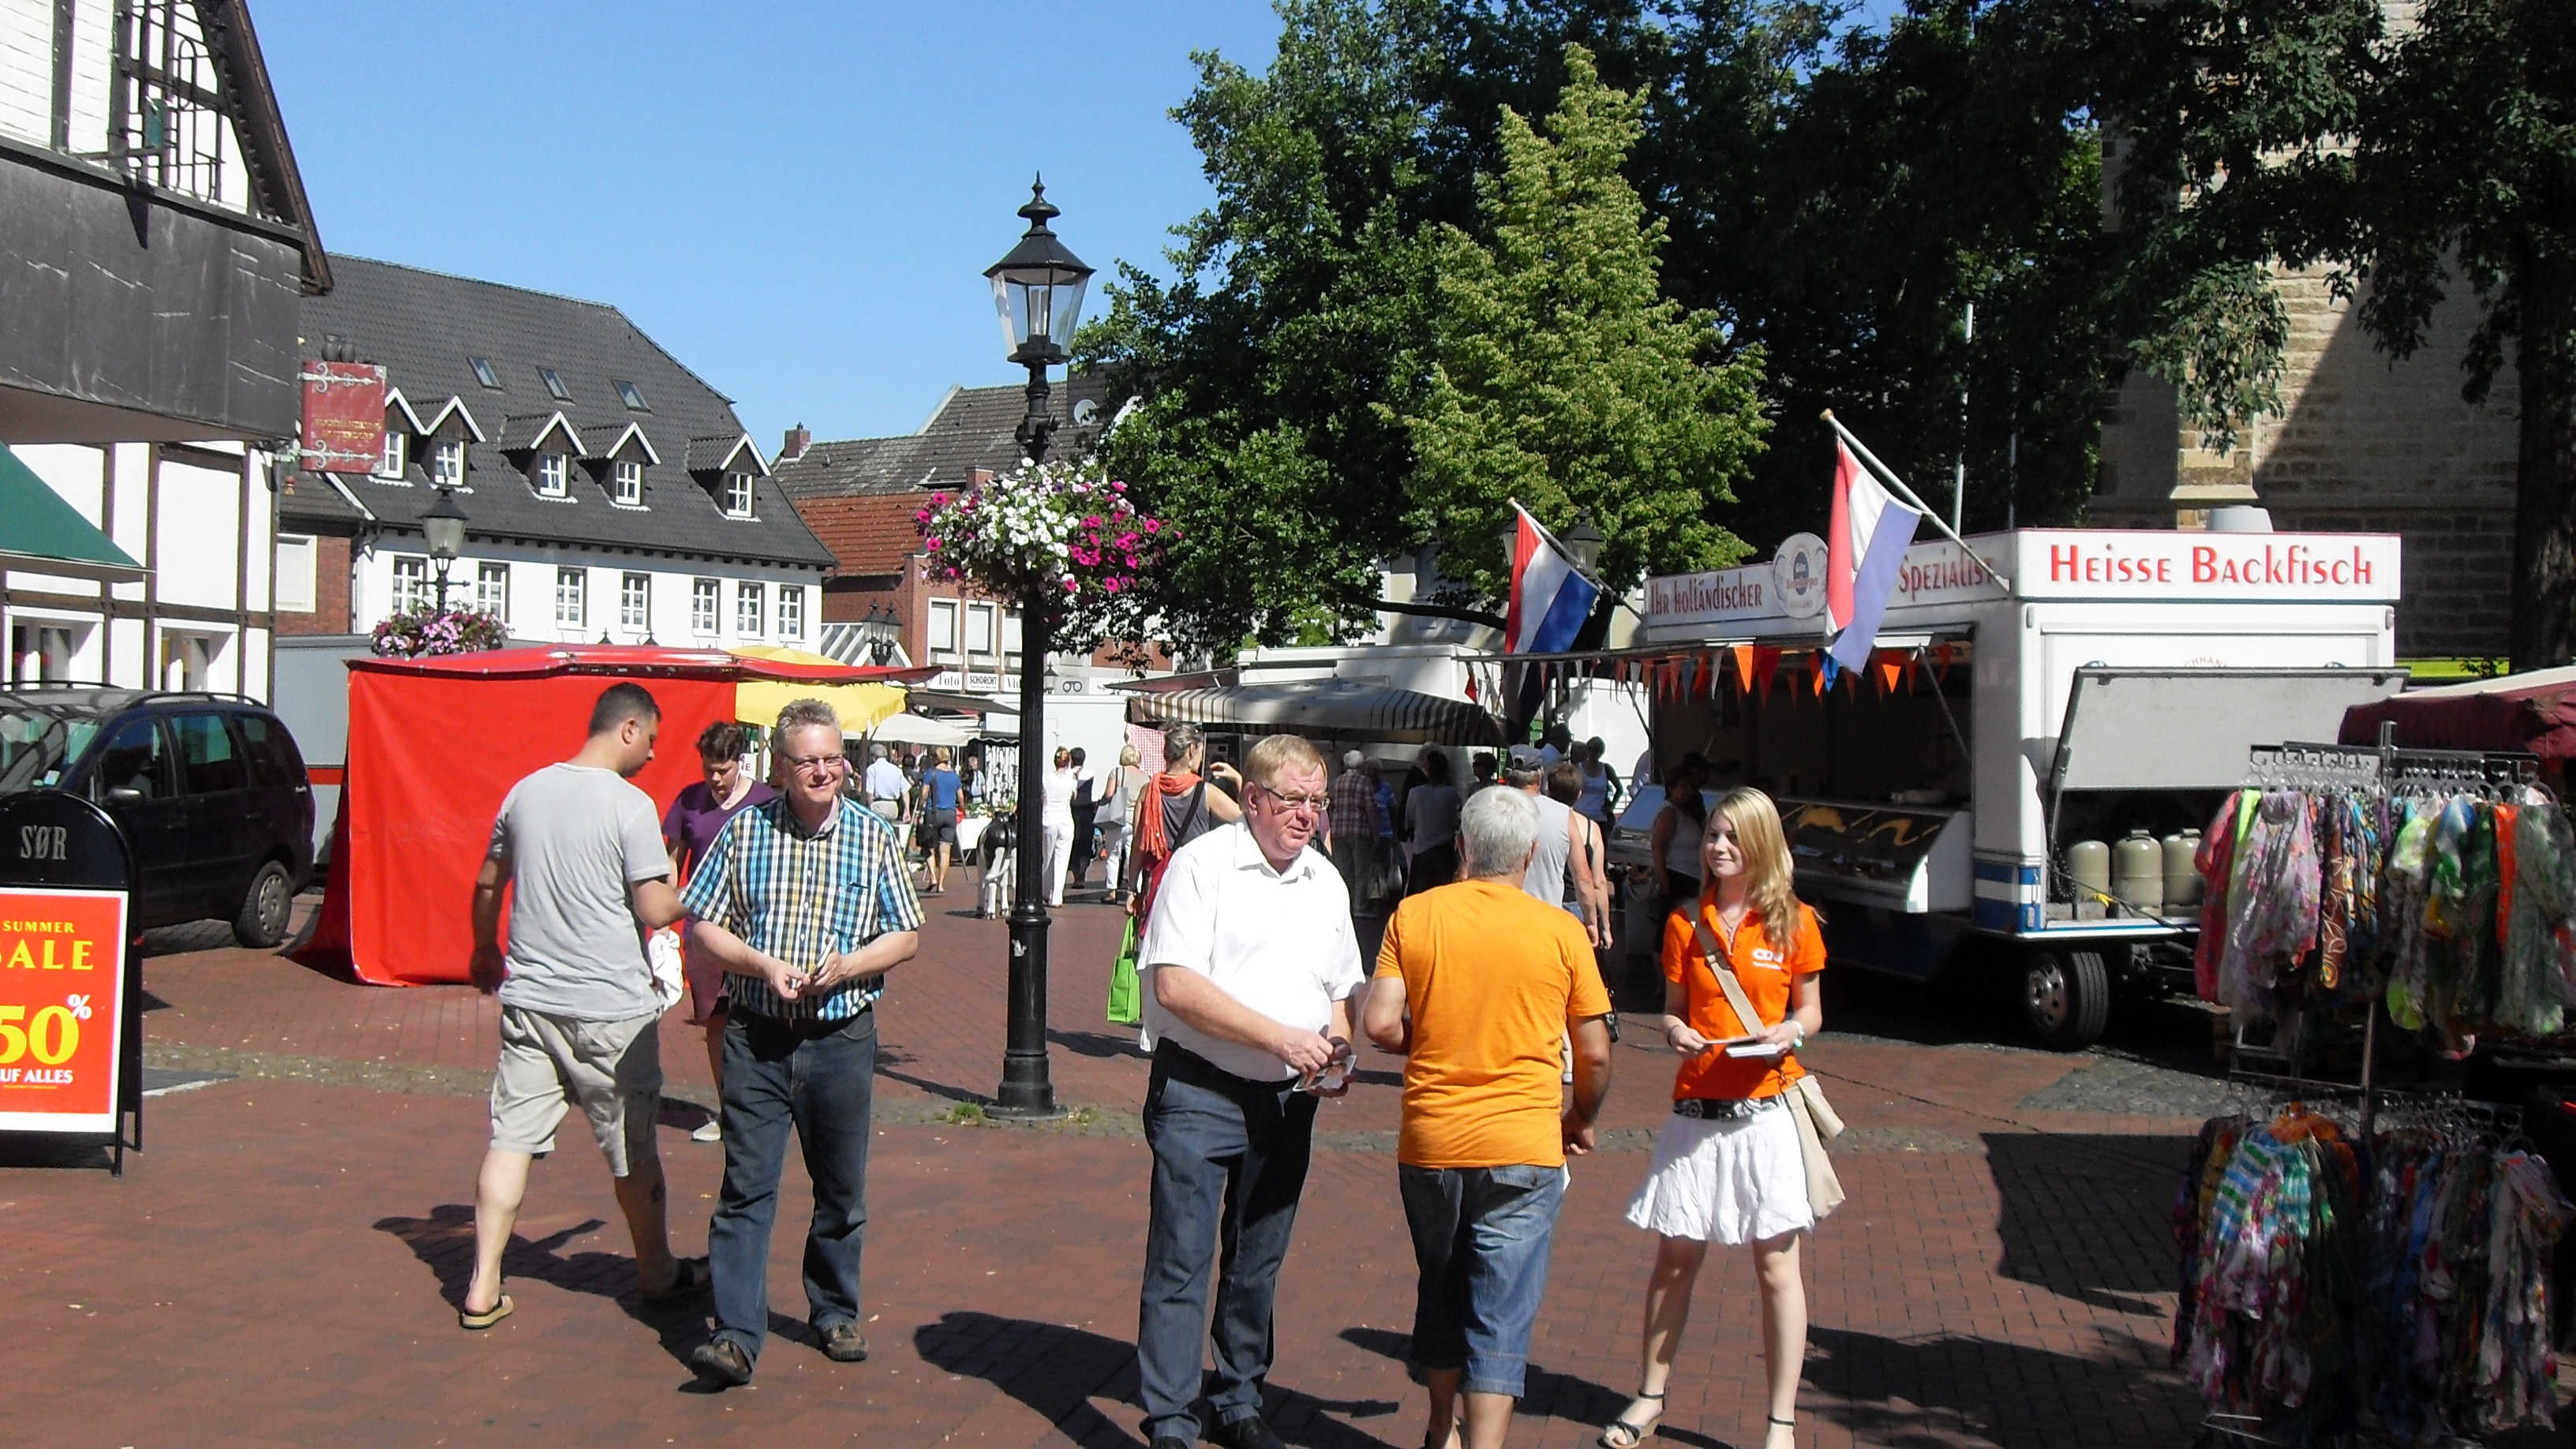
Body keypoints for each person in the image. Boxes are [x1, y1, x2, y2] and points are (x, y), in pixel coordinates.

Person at [679, 698, 924, 1387]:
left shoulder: (872, 837)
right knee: (745, 1187)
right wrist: (760, 963)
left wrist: (849, 966)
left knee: (841, 1190)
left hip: (841, 1036)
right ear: (781, 767)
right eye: (807, 760)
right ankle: (735, 1335)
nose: (822, 771)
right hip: (758, 1036)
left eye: (831, 758)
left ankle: (834, 1309)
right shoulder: (745, 831)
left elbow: (905, 936)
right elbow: (704, 926)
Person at [1133, 733, 1365, 1449]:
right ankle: (1172, 1418)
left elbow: (1340, 987)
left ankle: (1238, 1399)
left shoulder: (1324, 880)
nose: (1306, 816)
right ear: (1255, 799)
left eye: (1316, 803)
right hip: (1200, 1091)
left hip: (1288, 1100)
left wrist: (1339, 1050)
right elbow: (1175, 985)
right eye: (1293, 801)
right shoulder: (1203, 867)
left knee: (1258, 1260)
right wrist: (1279, 1039)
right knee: (1182, 1257)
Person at [1364, 786, 1613, 1449]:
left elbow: (1380, 1022)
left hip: (1433, 1140)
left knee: (1442, 1288)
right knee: (1501, 1310)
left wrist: (1434, 1038)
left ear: (1464, 848)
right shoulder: (1561, 930)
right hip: (1525, 1141)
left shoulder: (1415, 917)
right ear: (1531, 854)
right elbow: (1593, 1050)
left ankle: (1441, 1427)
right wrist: (1581, 1115)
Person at [459, 683, 706, 1331]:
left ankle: (483, 1282)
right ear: (627, 728)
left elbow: (489, 881)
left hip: (532, 1000)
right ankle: (656, 1270)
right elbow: (655, 910)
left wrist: (485, 948)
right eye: (651, 739)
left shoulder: (526, 791)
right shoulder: (629, 805)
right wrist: (707, 890)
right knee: (632, 1148)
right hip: (610, 1010)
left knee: (510, 1139)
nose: (653, 755)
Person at [1601, 788, 1825, 1449]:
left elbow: (1811, 1011)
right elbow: (1673, 1008)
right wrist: (1675, 1031)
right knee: (1674, 1260)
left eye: (1732, 837)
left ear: (1759, 845)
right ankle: (1649, 1397)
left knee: (1776, 1266)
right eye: (1712, 837)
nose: (1718, 847)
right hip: (1697, 1109)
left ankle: (1780, 1422)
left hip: (1766, 1111)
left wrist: (1791, 1033)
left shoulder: (1794, 921)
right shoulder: (1684, 925)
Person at [664, 721, 781, 1144]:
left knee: (759, 1016)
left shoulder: (766, 802)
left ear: (740, 762)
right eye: (709, 769)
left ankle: (763, 1106)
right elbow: (672, 864)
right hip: (704, 926)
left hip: (756, 923)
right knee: (716, 1018)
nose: (715, 779)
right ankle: (728, 1111)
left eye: (723, 770)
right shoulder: (688, 802)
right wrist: (665, 923)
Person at [1124, 722, 1243, 923]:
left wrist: (1132, 889)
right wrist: (1239, 780)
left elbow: (1139, 844)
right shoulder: (1206, 792)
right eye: (1200, 751)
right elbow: (1246, 819)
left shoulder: (1148, 790)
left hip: (1157, 882)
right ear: (1190, 751)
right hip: (1194, 882)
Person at [1548, 760, 1615, 949]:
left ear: (1549, 791)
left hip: (1546, 902)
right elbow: (1599, 882)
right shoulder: (1591, 829)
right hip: (1578, 907)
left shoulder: (1538, 823)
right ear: (1579, 794)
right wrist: (1605, 927)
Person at [1649, 755, 1710, 922]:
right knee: (1671, 925)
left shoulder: (1686, 810)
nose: (1688, 790)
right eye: (1683, 786)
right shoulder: (1670, 812)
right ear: (1672, 788)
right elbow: (1658, 846)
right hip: (1677, 877)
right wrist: (1664, 880)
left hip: (1691, 878)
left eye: (1691, 786)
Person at [1328, 749, 1382, 911]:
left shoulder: (1336, 782)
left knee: (1344, 871)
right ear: (1361, 764)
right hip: (1359, 831)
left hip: (1338, 830)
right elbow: (1370, 809)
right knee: (1361, 871)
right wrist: (1376, 834)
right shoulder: (1364, 782)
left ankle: (1345, 907)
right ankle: (1359, 906)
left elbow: (1330, 804)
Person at [1404, 751, 1463, 896]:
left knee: (1419, 897)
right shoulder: (1451, 794)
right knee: (1444, 896)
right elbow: (1455, 821)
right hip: (1444, 852)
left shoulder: (1415, 793)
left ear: (1427, 770)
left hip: (1421, 851)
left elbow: (1409, 821)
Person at [1095, 744, 1147, 906]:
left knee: (1113, 855)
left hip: (1118, 819)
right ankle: (1135, 890)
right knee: (1134, 856)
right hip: (1137, 820)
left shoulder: (1117, 772)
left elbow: (1109, 794)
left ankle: (1112, 892)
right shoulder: (1146, 777)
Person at [917, 746, 964, 896]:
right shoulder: (954, 776)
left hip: (933, 813)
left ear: (936, 758)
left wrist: (918, 807)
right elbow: (961, 797)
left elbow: (924, 794)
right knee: (945, 850)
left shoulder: (931, 773)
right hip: (950, 814)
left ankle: (932, 877)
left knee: (928, 846)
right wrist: (963, 809)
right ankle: (942, 883)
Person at [1041, 746, 1079, 907]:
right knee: (1062, 861)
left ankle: (1045, 890)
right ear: (1068, 762)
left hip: (1049, 818)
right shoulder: (1072, 781)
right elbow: (1074, 797)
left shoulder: (1046, 778)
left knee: (1048, 858)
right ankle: (1056, 897)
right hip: (1065, 820)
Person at [1069, 746, 1103, 892]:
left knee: (1073, 845)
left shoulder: (1067, 775)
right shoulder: (1090, 773)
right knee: (1085, 844)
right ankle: (1082, 875)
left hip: (1072, 810)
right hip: (1087, 811)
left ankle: (1076, 875)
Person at [1576, 738, 1620, 828]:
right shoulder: (1578, 768)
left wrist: (1612, 806)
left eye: (1596, 750)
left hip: (1599, 817)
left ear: (1601, 752)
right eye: (1589, 748)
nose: (1592, 753)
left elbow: (1619, 789)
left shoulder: (1606, 769)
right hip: (1579, 815)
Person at [860, 742, 909, 824]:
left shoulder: (872, 769)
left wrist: (869, 806)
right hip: (893, 806)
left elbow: (870, 792)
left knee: (878, 833)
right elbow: (905, 791)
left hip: (879, 805)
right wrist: (907, 810)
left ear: (873, 757)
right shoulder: (896, 769)